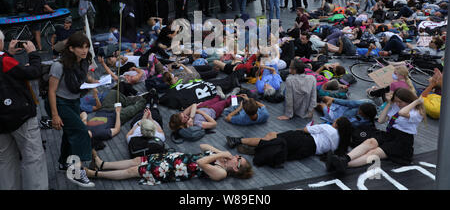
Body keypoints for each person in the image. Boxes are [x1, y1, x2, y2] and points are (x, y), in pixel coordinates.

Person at [328, 88, 426, 174]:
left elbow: (402, 113)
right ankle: (345, 158)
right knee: (369, 141)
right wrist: (388, 104)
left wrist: (416, 102)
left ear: (409, 101)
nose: (398, 104)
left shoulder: (417, 113)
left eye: (400, 102)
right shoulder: (396, 106)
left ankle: (344, 164)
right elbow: (381, 120)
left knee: (373, 153)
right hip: (390, 133)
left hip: (402, 140)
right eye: (396, 101)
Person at [47, 32, 98, 188]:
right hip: (61, 103)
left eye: (86, 47)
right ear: (71, 48)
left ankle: (64, 162)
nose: (84, 50)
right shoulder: (58, 65)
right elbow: (51, 91)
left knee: (70, 134)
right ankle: (76, 171)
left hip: (74, 101)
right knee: (81, 132)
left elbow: (83, 77)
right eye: (80, 47)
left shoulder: (82, 62)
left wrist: (94, 81)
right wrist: (55, 115)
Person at [0, 33, 48, 190]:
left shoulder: (6, 59)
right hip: (19, 116)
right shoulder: (5, 61)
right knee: (32, 158)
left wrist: (9, 53)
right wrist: (33, 54)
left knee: (5, 162)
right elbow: (33, 73)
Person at [84, 144, 252, 184]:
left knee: (134, 170)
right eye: (238, 155)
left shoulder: (221, 173)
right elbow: (204, 146)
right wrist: (219, 153)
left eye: (238, 159)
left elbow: (201, 162)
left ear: (236, 168)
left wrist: (222, 155)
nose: (235, 156)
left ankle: (96, 174)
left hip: (173, 170)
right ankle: (103, 164)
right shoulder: (221, 159)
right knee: (137, 160)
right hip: (175, 158)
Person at [226, 117, 353, 159]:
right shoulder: (341, 142)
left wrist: (297, 130)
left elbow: (305, 129)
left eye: (335, 121)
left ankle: (238, 140)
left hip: (304, 139)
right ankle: (256, 150)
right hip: (308, 152)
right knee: (279, 146)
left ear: (337, 124)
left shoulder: (328, 128)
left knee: (272, 136)